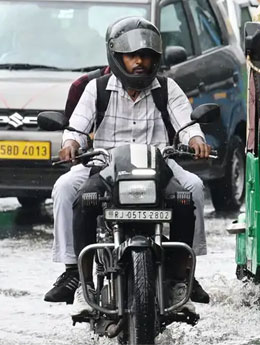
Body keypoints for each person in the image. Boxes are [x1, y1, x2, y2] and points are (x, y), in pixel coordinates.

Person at [43, 17, 211, 311]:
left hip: (159, 164)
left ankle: (184, 273)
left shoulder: (167, 88)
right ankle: (74, 272)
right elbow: (76, 129)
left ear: (155, 58)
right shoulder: (96, 89)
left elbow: (186, 123)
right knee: (66, 187)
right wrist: (71, 145)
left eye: (146, 55)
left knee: (193, 188)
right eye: (132, 56)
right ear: (117, 57)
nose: (139, 62)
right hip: (104, 164)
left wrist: (196, 139)